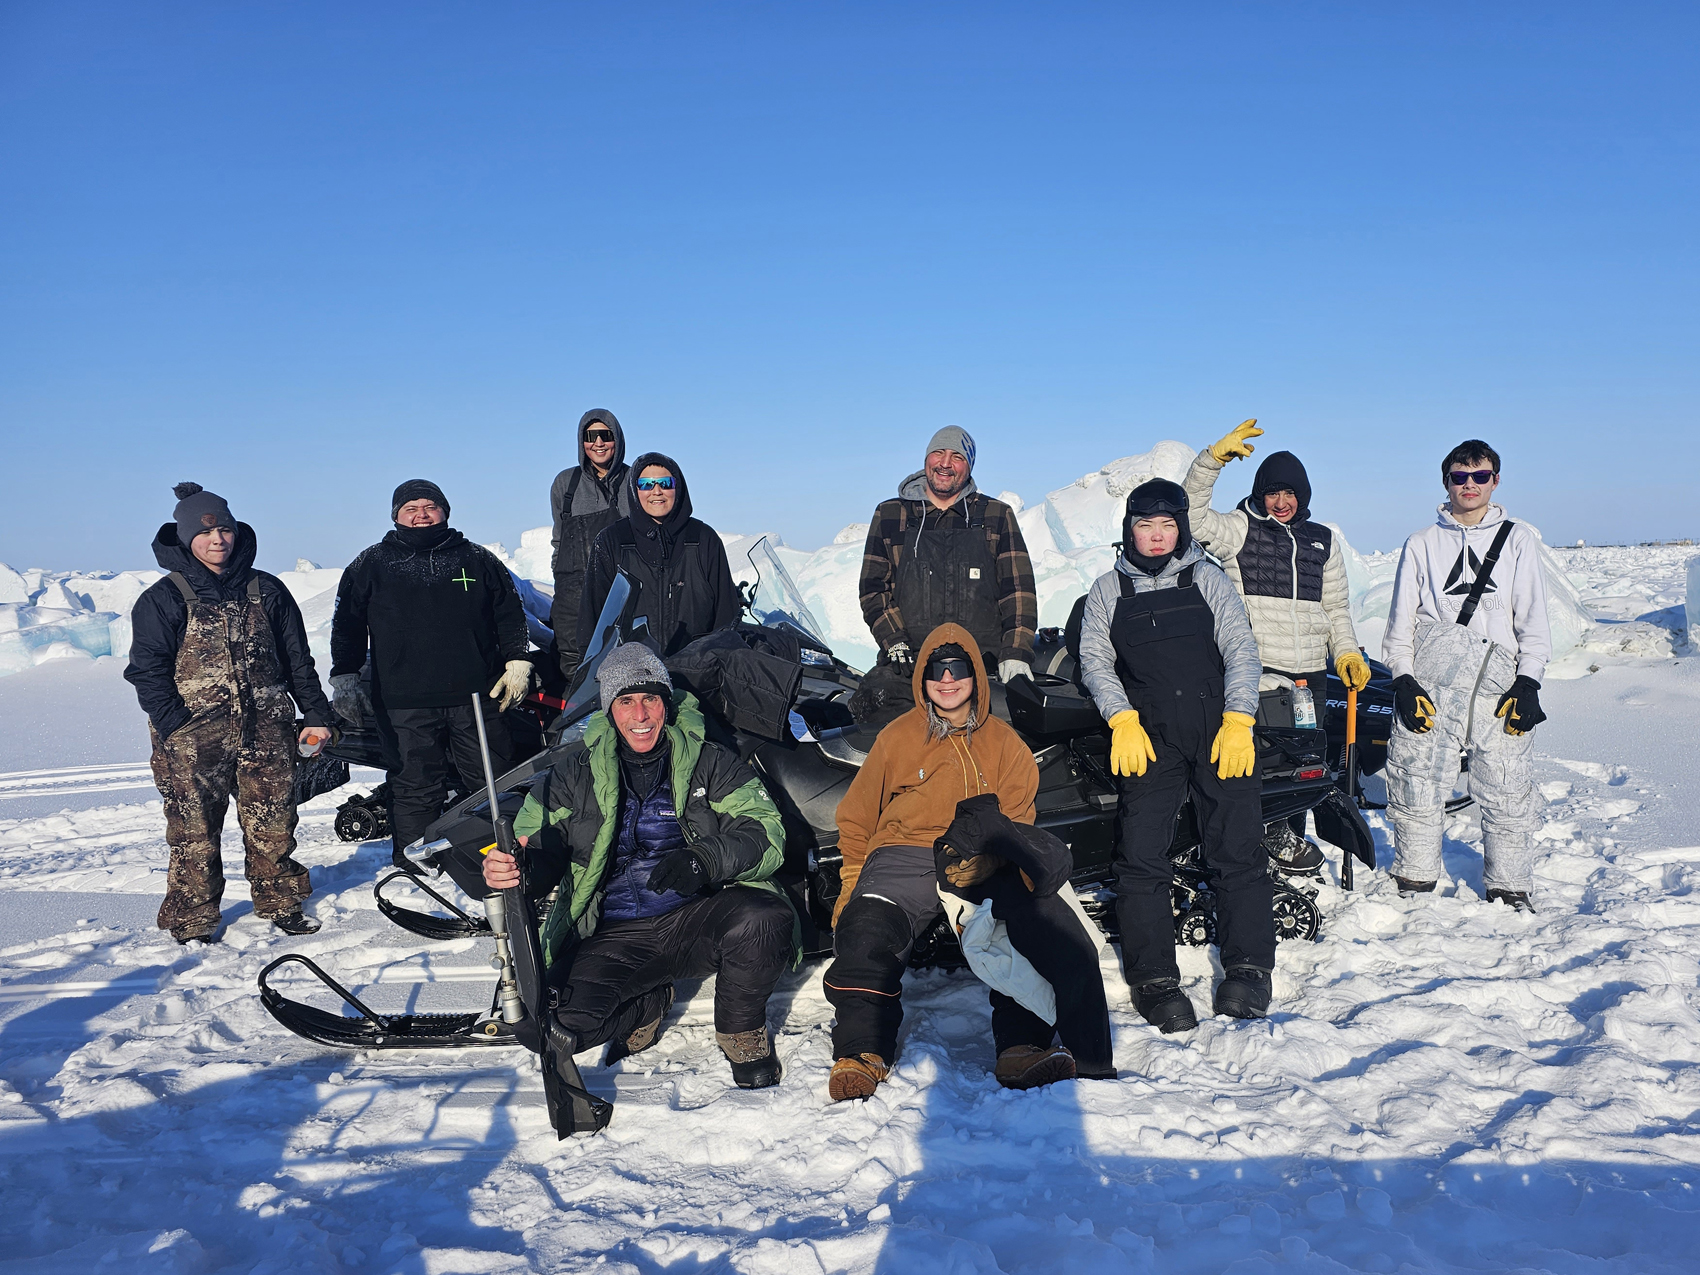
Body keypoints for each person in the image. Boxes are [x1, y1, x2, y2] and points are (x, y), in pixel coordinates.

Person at [822, 623, 1114, 1101]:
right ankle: (861, 1051)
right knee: (869, 927)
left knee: (1021, 933)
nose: (948, 679)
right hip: (905, 852)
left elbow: (1019, 820)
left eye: (959, 669)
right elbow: (856, 817)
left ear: (976, 675)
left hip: (980, 858)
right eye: (937, 670)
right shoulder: (898, 738)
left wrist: (1012, 872)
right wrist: (853, 884)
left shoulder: (1004, 743)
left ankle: (1021, 1047)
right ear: (923, 679)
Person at [481, 643, 794, 1087]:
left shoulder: (712, 760)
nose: (641, 714)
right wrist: (516, 868)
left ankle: (740, 1029)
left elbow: (768, 834)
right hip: (613, 934)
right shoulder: (572, 775)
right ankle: (648, 1003)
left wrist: (704, 859)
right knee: (545, 1028)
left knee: (765, 918)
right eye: (626, 701)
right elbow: (533, 842)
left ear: (666, 702)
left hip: (695, 918)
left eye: (651, 699)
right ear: (610, 710)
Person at [1077, 479, 1275, 1029]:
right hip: (1149, 734)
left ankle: (1250, 968)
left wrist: (1238, 718)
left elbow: (1240, 648)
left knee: (1236, 850)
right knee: (1141, 857)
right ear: (1130, 530)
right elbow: (1095, 659)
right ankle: (1154, 978)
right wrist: (1121, 718)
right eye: (1146, 525)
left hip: (1219, 729)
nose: (1157, 536)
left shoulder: (1207, 577)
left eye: (1168, 525)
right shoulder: (1108, 589)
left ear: (1181, 528)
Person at [125, 483, 332, 942]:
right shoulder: (164, 597)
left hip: (268, 731)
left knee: (274, 823)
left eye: (225, 529)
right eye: (206, 533)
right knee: (193, 833)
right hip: (193, 738)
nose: (218, 539)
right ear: (184, 538)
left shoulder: (267, 589)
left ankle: (281, 901)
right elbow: (147, 671)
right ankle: (194, 920)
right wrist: (176, 724)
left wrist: (316, 713)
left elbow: (298, 660)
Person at [1182, 419, 1371, 862]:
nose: (1281, 502)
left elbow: (1336, 608)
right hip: (1260, 672)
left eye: (1289, 493)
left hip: (1310, 677)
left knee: (1302, 769)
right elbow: (1188, 517)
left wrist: (1344, 651)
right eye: (1273, 493)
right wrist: (1212, 460)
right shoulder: (1239, 529)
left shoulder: (1322, 541)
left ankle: (1288, 844)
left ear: (1302, 496)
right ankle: (1249, 847)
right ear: (1260, 494)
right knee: (1260, 768)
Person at [1381, 441, 1550, 911]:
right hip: (1433, 678)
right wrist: (1403, 678)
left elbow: (1533, 618)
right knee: (1417, 776)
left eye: (1480, 476)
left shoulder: (1518, 540)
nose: (1469, 485)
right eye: (1460, 476)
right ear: (1446, 481)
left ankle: (1509, 883)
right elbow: (1401, 622)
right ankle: (1414, 877)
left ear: (1495, 480)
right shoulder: (1422, 543)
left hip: (1499, 681)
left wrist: (1529, 680)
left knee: (1507, 782)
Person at [328, 480, 532, 862]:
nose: (421, 515)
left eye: (429, 506)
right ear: (396, 516)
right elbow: (347, 625)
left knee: (494, 782)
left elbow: (509, 614)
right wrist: (345, 676)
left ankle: (505, 858)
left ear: (445, 512)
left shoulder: (476, 558)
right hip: (403, 700)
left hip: (476, 695)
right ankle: (416, 863)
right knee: (414, 786)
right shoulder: (371, 563)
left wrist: (518, 660)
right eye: (411, 508)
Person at [858, 427, 1038, 690]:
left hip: (981, 669)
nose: (945, 463)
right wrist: (893, 639)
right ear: (926, 458)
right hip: (909, 666)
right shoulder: (891, 514)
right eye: (938, 453)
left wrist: (1015, 653)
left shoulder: (996, 516)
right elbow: (874, 589)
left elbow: (1019, 593)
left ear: (969, 466)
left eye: (957, 456)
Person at [576, 453, 742, 659]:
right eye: (646, 484)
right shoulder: (612, 541)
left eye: (665, 483)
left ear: (678, 487)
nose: (657, 491)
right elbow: (591, 619)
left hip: (697, 674)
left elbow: (727, 616)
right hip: (633, 677)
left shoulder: (703, 539)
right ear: (634, 490)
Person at [548, 409, 634, 678]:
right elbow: (559, 539)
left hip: (622, 594)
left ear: (617, 439)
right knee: (578, 675)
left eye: (605, 435)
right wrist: (562, 586)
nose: (598, 443)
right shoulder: (566, 483)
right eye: (590, 436)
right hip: (572, 599)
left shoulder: (635, 480)